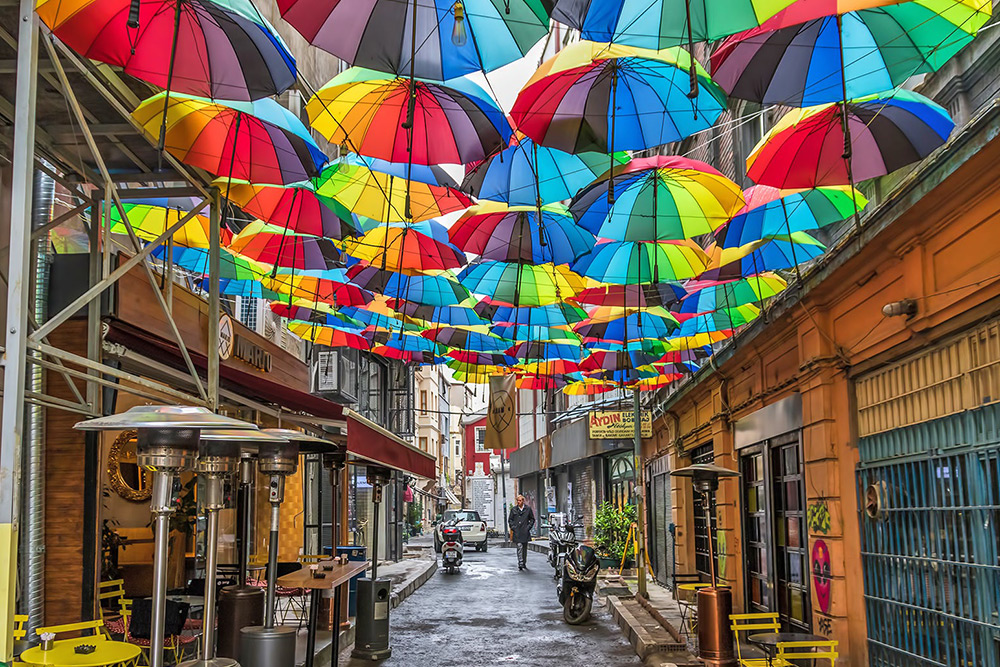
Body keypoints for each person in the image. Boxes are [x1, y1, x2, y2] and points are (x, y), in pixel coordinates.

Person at [508, 495, 535, 570]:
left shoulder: (528, 509)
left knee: (524, 548)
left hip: (525, 531)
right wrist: (513, 527)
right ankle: (520, 562)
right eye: (517, 500)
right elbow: (510, 520)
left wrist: (528, 527)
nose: (518, 502)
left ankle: (524, 562)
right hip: (517, 531)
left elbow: (532, 519)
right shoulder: (514, 509)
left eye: (520, 500)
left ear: (523, 501)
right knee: (519, 546)